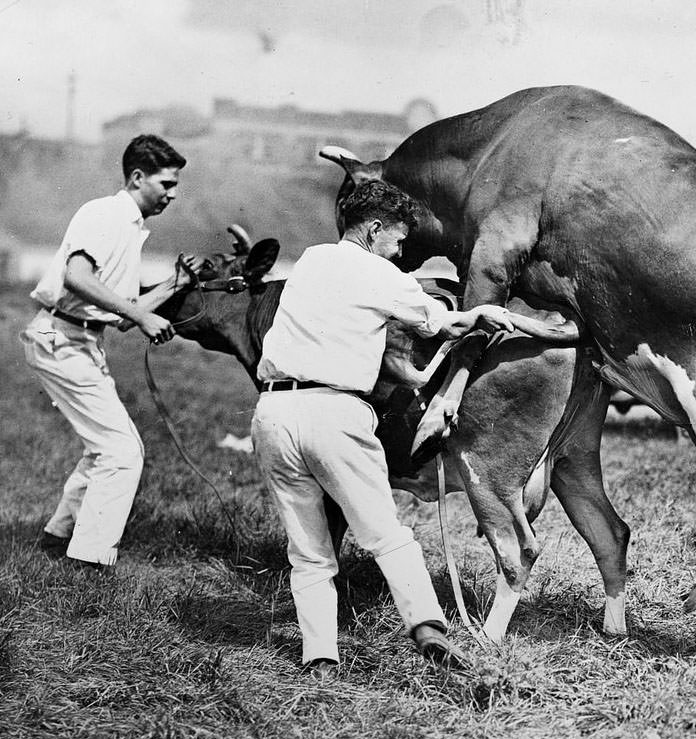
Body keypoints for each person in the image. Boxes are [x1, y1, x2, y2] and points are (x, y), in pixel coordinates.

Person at [252, 180, 516, 678]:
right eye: (397, 241)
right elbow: (443, 325)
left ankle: (320, 659)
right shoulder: (380, 273)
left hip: (272, 413)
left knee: (308, 551)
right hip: (334, 413)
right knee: (386, 535)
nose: (400, 253)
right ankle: (429, 630)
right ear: (374, 230)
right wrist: (480, 312)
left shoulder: (310, 259)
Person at [21, 134, 202, 569]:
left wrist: (175, 283)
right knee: (121, 453)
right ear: (137, 177)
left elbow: (119, 314)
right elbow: (77, 278)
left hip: (82, 341)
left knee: (107, 446)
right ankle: (89, 560)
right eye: (166, 184)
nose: (173, 194)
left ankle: (58, 535)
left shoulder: (132, 226)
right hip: (60, 338)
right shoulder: (104, 213)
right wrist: (143, 318)